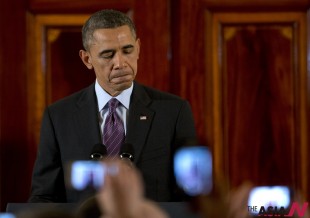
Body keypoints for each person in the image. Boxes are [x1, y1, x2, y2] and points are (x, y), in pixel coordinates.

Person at [28, 9, 197, 203]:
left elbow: (190, 197)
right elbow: (44, 196)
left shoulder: (173, 112)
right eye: (108, 54)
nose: (120, 63)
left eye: (127, 50)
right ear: (87, 59)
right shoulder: (58, 117)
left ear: (139, 48)